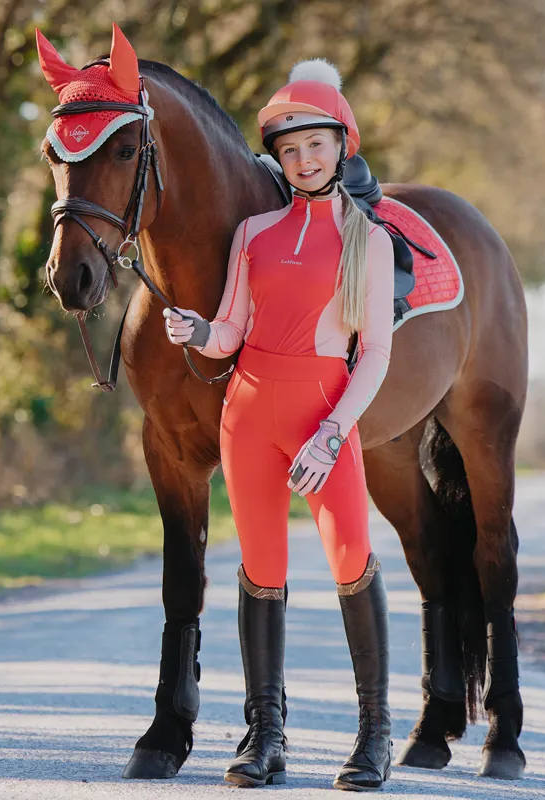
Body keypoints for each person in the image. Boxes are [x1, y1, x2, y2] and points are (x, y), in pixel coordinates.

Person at [163, 58, 395, 791]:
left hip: (323, 414)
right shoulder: (256, 233)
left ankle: (373, 737)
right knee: (261, 573)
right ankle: (265, 735)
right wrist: (194, 330)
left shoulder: (368, 239)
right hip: (248, 416)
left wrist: (332, 433)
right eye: (289, 149)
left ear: (341, 146)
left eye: (316, 145)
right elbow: (231, 332)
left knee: (351, 559)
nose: (303, 159)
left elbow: (375, 356)